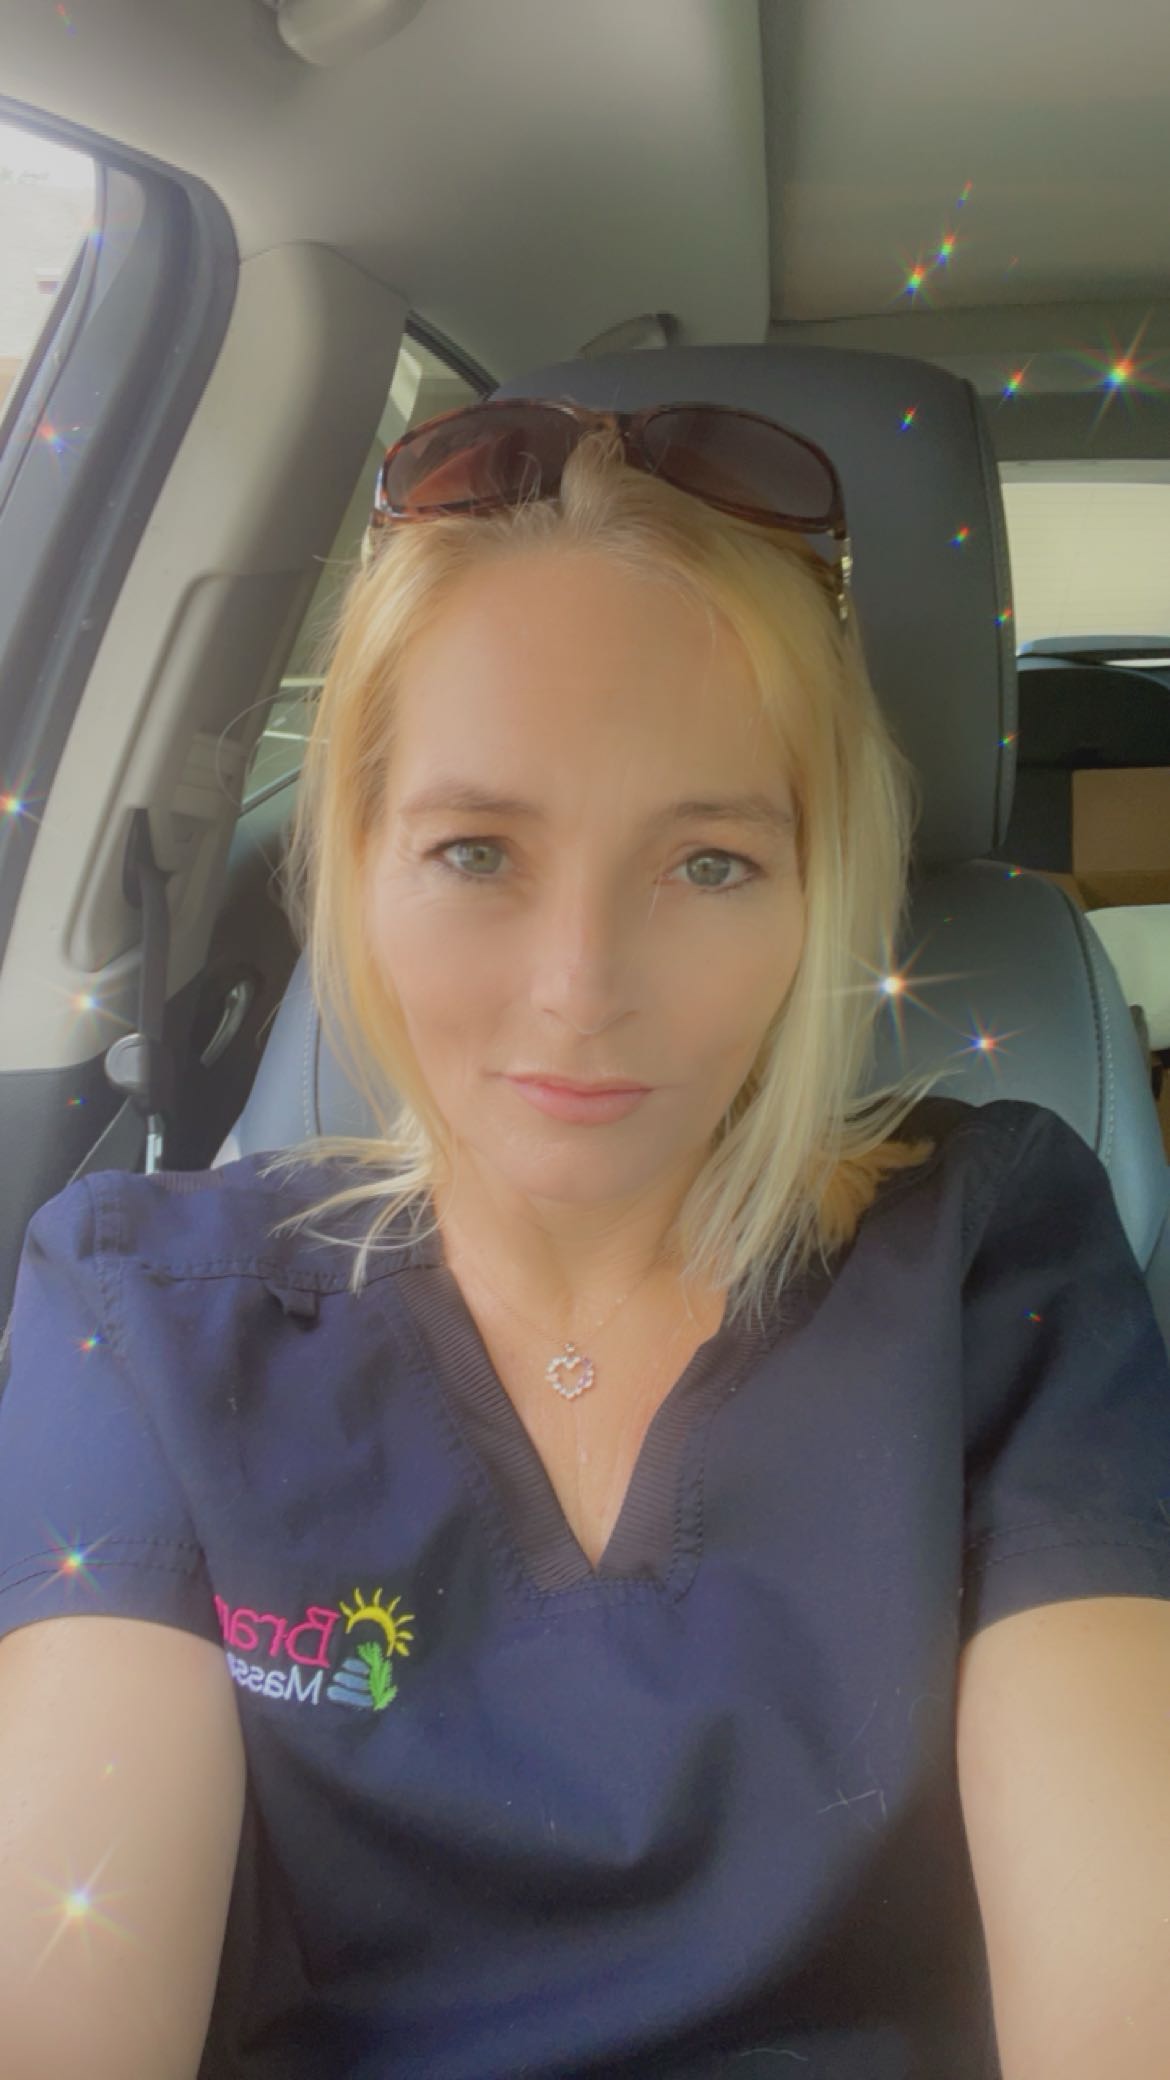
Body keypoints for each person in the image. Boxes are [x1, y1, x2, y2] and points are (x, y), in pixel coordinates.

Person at [1, 396, 1168, 2080]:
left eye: (708, 864)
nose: (578, 990)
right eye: (476, 851)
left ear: (819, 886)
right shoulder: (144, 1309)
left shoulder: (992, 1262)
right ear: (358, 866)